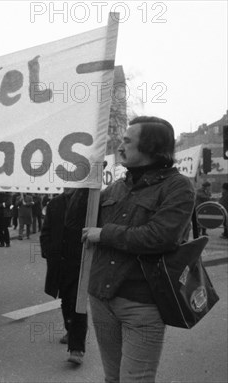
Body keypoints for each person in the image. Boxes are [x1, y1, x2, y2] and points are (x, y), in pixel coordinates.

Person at [82, 116, 195, 383]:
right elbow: (79, 223)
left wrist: (105, 234)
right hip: (101, 298)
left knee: (135, 380)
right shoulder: (116, 187)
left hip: (142, 305)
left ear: (150, 147)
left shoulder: (178, 187)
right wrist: (82, 186)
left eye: (127, 141)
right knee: (113, 378)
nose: (119, 146)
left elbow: (161, 237)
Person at [40, 188, 89, 365]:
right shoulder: (55, 204)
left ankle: (77, 349)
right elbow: (46, 231)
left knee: (78, 302)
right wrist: (48, 252)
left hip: (80, 263)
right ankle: (70, 330)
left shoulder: (88, 202)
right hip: (59, 262)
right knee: (66, 301)